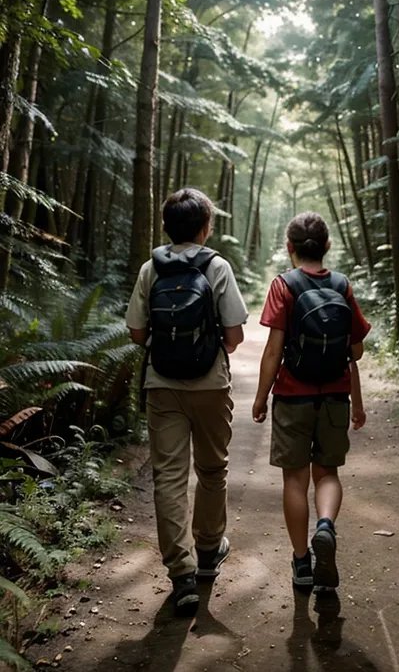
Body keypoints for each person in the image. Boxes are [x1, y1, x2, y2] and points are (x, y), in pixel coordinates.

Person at [126, 187, 248, 616]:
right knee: (213, 469)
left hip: (162, 385)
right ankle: (210, 551)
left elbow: (138, 335)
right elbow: (234, 339)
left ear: (166, 227)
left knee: (169, 478)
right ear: (205, 227)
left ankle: (181, 573)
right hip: (211, 385)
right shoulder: (217, 266)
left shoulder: (149, 270)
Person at [252, 211, 370, 593]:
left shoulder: (283, 286)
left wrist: (260, 398)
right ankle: (326, 526)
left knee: (295, 478)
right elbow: (357, 350)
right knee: (328, 473)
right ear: (327, 245)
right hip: (335, 395)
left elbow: (273, 351)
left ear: (290, 248)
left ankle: (302, 563)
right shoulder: (341, 284)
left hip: (292, 396)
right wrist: (356, 402)